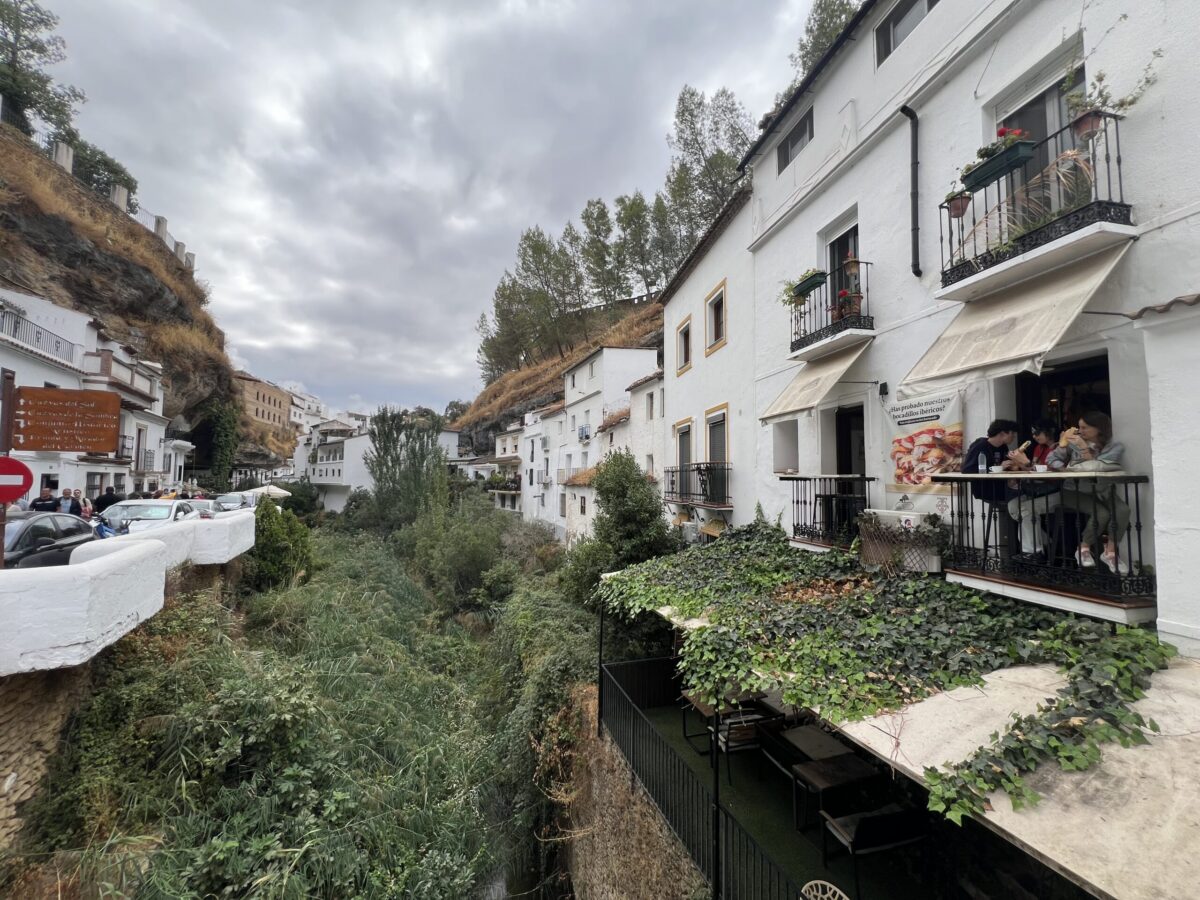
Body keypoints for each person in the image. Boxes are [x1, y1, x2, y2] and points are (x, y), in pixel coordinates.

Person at [1058, 411, 1129, 574]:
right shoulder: (1072, 444)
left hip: (1102, 490)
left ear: (1099, 428)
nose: (1080, 431)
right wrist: (1065, 467)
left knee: (1123, 510)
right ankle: (1083, 548)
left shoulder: (1115, 447)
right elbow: (1052, 460)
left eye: (1084, 427)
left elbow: (1096, 467)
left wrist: (1083, 450)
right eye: (1079, 427)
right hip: (1075, 490)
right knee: (1102, 514)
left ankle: (1110, 552)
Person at [1005, 419, 1068, 557]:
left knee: (1026, 509)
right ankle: (1045, 542)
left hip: (1058, 490)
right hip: (1038, 490)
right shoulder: (1038, 448)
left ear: (1050, 431)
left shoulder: (1061, 448)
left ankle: (1033, 552)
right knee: (1013, 506)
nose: (1034, 436)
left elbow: (1054, 472)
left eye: (1037, 432)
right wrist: (1019, 463)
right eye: (1032, 433)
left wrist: (1025, 462)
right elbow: (1032, 470)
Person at [963, 419, 1020, 502]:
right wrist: (998, 467)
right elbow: (967, 469)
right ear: (1002, 434)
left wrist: (1013, 465)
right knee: (1024, 496)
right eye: (1012, 433)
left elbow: (1004, 465)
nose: (1014, 436)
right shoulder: (980, 446)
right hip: (986, 489)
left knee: (1025, 493)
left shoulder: (1003, 447)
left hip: (1001, 486)